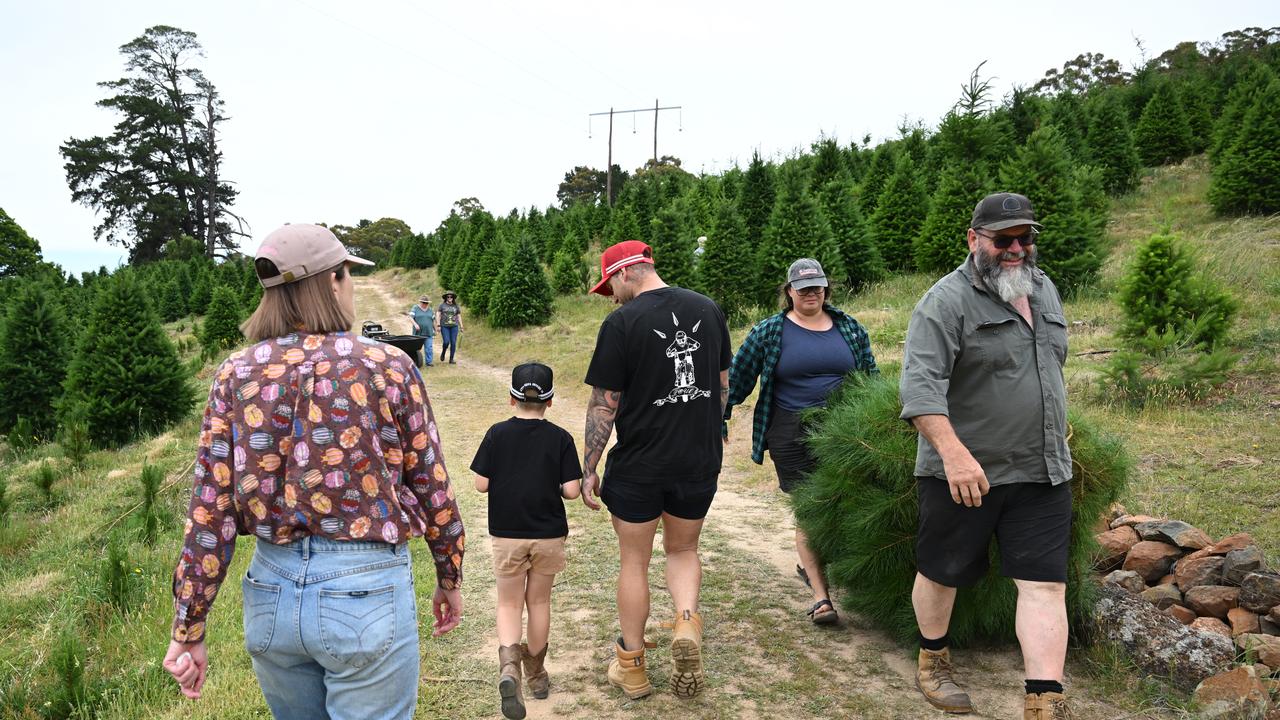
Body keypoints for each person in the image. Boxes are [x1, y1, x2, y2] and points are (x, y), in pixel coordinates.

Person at [162, 223, 466, 720]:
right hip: (365, 590)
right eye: (348, 275)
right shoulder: (386, 366)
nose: (351, 287)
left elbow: (209, 510)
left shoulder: (235, 374)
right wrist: (448, 573)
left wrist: (188, 628)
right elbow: (431, 483)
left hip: (271, 593)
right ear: (331, 281)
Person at [899, 193, 1073, 719]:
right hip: (964, 473)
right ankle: (934, 659)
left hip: (1043, 469)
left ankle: (1044, 699)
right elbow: (920, 388)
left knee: (1044, 582)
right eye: (1004, 240)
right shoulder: (944, 302)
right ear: (974, 240)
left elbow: (1048, 370)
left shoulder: (1044, 290)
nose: (1017, 249)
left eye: (1025, 238)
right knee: (942, 570)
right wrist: (953, 455)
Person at [580, 240, 731, 700]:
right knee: (683, 549)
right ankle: (686, 623)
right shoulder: (709, 310)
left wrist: (590, 467)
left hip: (640, 464)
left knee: (635, 561)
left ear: (626, 272)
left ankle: (633, 668)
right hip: (698, 459)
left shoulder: (621, 323)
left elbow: (605, 404)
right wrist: (710, 432)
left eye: (611, 287)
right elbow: (723, 386)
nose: (614, 298)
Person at [724, 258, 877, 625]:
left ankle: (827, 569)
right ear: (789, 291)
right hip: (790, 431)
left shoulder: (850, 329)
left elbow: (871, 378)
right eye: (803, 287)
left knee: (847, 503)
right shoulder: (769, 332)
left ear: (827, 289)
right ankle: (821, 598)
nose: (811, 293)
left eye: (817, 286)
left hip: (844, 430)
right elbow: (738, 378)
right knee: (811, 506)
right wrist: (719, 415)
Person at [471, 362, 582, 720]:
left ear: (511, 399)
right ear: (550, 402)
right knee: (539, 603)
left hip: (506, 534)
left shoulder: (496, 434)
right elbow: (571, 491)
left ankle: (509, 670)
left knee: (508, 604)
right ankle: (536, 675)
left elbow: (481, 483)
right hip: (548, 535)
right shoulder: (561, 438)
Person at [437, 291, 463, 364]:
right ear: (446, 298)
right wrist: (438, 325)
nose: (449, 298)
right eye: (448, 297)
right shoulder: (442, 305)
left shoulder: (456, 306)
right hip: (444, 326)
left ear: (453, 298)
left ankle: (451, 359)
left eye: (451, 297)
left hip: (454, 326)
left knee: (453, 343)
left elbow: (459, 316)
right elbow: (438, 314)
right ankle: (443, 352)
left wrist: (461, 326)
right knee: (446, 342)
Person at [409, 294, 435, 367]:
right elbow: (410, 317)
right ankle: (415, 361)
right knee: (416, 348)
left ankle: (429, 362)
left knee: (429, 348)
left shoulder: (430, 310)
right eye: (424, 303)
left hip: (428, 332)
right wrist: (415, 324)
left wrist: (435, 329)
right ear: (420, 302)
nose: (425, 304)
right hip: (418, 333)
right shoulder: (415, 308)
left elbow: (432, 321)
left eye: (426, 303)